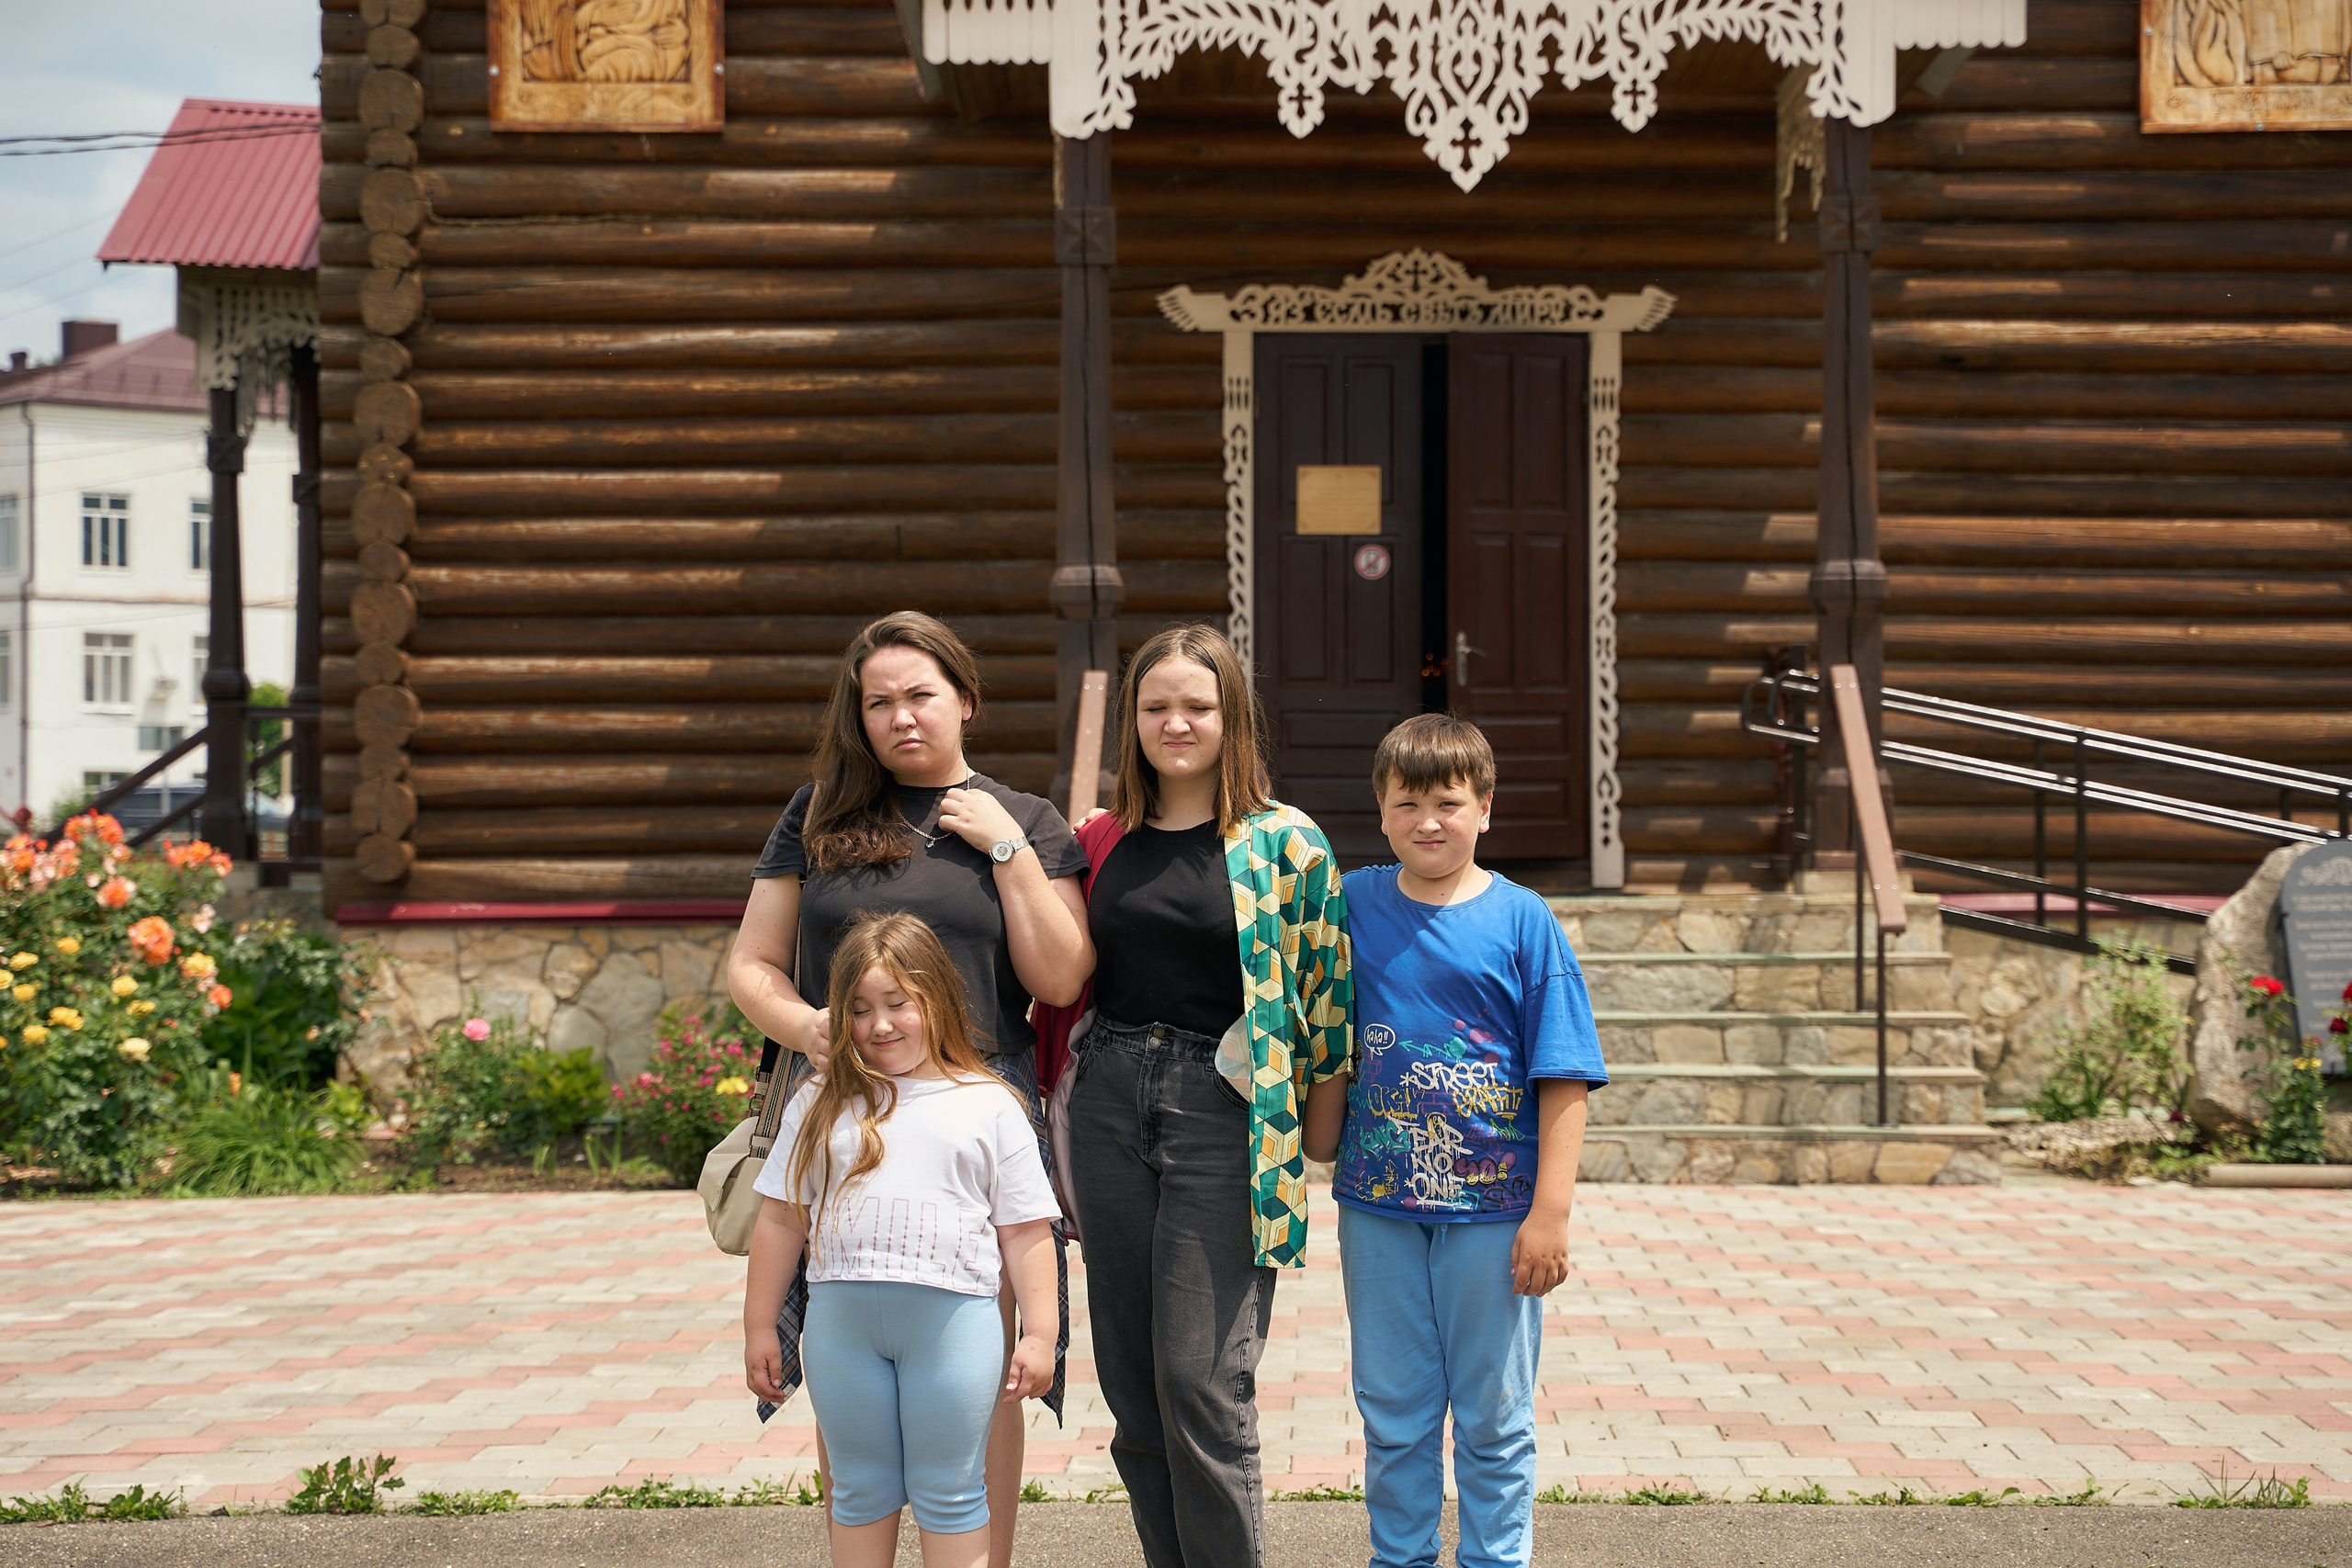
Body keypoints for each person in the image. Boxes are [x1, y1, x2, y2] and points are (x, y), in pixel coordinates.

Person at [726, 611, 1091, 1567]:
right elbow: (753, 967)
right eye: (878, 702)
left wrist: (1007, 847)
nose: (901, 717)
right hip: (842, 1113)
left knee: (974, 1364)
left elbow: (1060, 977)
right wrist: (811, 1030)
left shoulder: (1025, 819)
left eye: (920, 695)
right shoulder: (816, 815)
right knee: (844, 1342)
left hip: (978, 1114)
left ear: (964, 700)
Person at [1050, 623, 1353, 1568]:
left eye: (1197, 705)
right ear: (1131, 721)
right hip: (1106, 1100)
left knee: (1201, 1384)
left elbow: (1326, 998)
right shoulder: (1100, 838)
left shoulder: (1284, 840)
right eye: (1155, 707)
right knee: (1133, 1389)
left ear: (1232, 717)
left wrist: (1317, 1144)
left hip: (1222, 1109)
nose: (1174, 722)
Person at [1303, 713, 1606, 1568]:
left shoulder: (1524, 920)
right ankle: (1398, 1558)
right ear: (1381, 807)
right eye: (1408, 803)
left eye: (1447, 801)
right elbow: (1309, 1010)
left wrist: (1551, 1214)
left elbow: (1565, 1075)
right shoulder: (1351, 903)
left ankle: (1494, 1558)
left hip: (1494, 1215)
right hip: (1379, 1208)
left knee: (1493, 1414)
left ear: (1484, 808)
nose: (1427, 821)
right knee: (1393, 1411)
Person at [743, 911, 1060, 1568]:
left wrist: (1039, 1333)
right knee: (857, 1493)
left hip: (956, 1331)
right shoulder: (817, 1100)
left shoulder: (989, 1102)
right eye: (858, 1009)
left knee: (950, 1492)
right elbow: (780, 1220)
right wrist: (758, 1328)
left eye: (898, 1004)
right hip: (840, 1331)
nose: (879, 1024)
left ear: (937, 999)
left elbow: (1026, 1231)